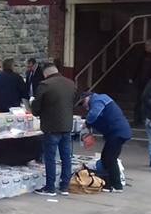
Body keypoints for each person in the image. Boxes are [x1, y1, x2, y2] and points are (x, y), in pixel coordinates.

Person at [31, 64, 77, 196]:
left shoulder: (45, 85)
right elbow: (73, 102)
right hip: (67, 126)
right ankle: (64, 186)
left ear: (46, 73)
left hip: (51, 127)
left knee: (50, 157)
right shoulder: (71, 83)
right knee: (66, 157)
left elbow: (36, 108)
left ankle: (50, 187)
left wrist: (34, 106)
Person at [80, 92, 132, 193]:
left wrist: (87, 123)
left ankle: (116, 185)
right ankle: (108, 183)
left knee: (110, 158)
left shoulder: (98, 99)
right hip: (118, 132)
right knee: (106, 157)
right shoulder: (101, 100)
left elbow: (94, 114)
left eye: (83, 103)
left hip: (117, 132)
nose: (84, 106)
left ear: (87, 98)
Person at [131, 40, 151, 124]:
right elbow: (137, 66)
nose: (146, 47)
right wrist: (133, 77)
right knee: (139, 100)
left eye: (148, 45)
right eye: (146, 45)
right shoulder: (142, 55)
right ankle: (137, 119)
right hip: (142, 81)